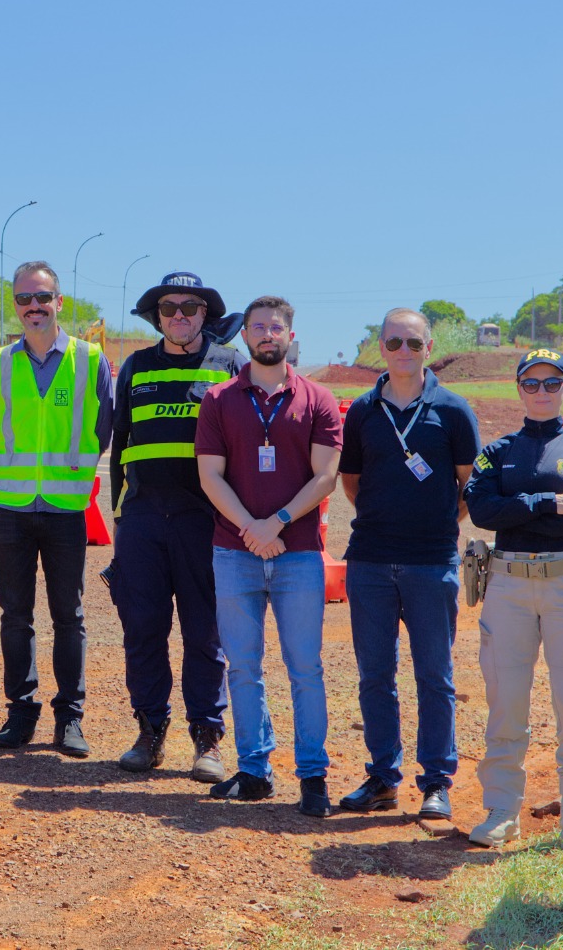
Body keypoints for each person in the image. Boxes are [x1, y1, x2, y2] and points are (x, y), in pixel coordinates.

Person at [195, 295, 342, 816]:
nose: (266, 335)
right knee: (243, 668)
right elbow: (209, 474)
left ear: (290, 336)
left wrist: (275, 524)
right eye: (257, 327)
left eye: (275, 327)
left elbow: (325, 476)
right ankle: (254, 770)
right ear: (245, 337)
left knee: (305, 667)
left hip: (298, 554)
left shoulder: (319, 399)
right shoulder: (218, 399)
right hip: (233, 554)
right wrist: (249, 529)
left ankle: (313, 776)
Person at [337, 308, 480, 821]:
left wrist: (438, 522)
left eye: (413, 344)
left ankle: (436, 781)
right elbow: (351, 482)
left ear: (429, 347)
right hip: (371, 562)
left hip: (430, 563)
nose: (403, 351)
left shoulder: (453, 410)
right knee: (375, 676)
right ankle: (382, 777)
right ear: (381, 346)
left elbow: (469, 485)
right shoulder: (362, 411)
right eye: (394, 342)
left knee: (434, 676)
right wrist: (385, 519)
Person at [463, 348, 563, 851]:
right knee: (505, 701)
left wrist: (517, 510)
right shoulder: (497, 450)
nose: (541, 392)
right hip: (507, 586)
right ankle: (502, 811)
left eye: (552, 383)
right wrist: (551, 502)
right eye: (531, 383)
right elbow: (481, 509)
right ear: (518, 388)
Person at [107, 271, 243, 781]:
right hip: (142, 518)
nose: (179, 315)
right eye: (169, 308)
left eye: (190, 306)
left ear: (205, 314)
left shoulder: (229, 365)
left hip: (204, 521)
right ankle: (149, 732)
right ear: (156, 316)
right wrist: (120, 512)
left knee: (205, 634)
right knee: (142, 629)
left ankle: (207, 740)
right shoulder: (138, 366)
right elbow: (121, 442)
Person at [0, 260, 113, 758]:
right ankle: (21, 711)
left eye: (43, 298)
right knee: (15, 614)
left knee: (69, 615)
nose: (33, 307)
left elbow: (103, 428)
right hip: (11, 506)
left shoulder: (90, 359)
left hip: (64, 506)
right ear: (15, 305)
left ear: (59, 302)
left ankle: (70, 718)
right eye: (24, 299)